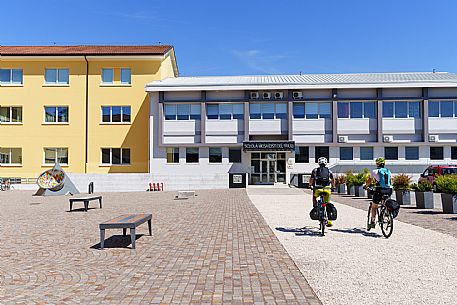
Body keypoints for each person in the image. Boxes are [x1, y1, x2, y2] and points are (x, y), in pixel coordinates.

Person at [366, 157, 392, 230]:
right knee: (384, 203)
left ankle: (372, 222)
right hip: (389, 190)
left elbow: (369, 181)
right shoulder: (388, 171)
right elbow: (390, 181)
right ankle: (386, 214)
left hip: (380, 190)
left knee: (374, 206)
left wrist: (365, 186)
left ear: (377, 164)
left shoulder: (374, 171)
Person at [308, 157, 335, 226]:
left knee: (314, 197)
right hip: (327, 189)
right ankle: (329, 221)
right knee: (327, 203)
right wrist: (333, 186)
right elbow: (333, 179)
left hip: (318, 189)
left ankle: (315, 207)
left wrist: (310, 185)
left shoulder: (315, 170)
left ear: (319, 163)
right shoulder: (329, 171)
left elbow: (312, 179)